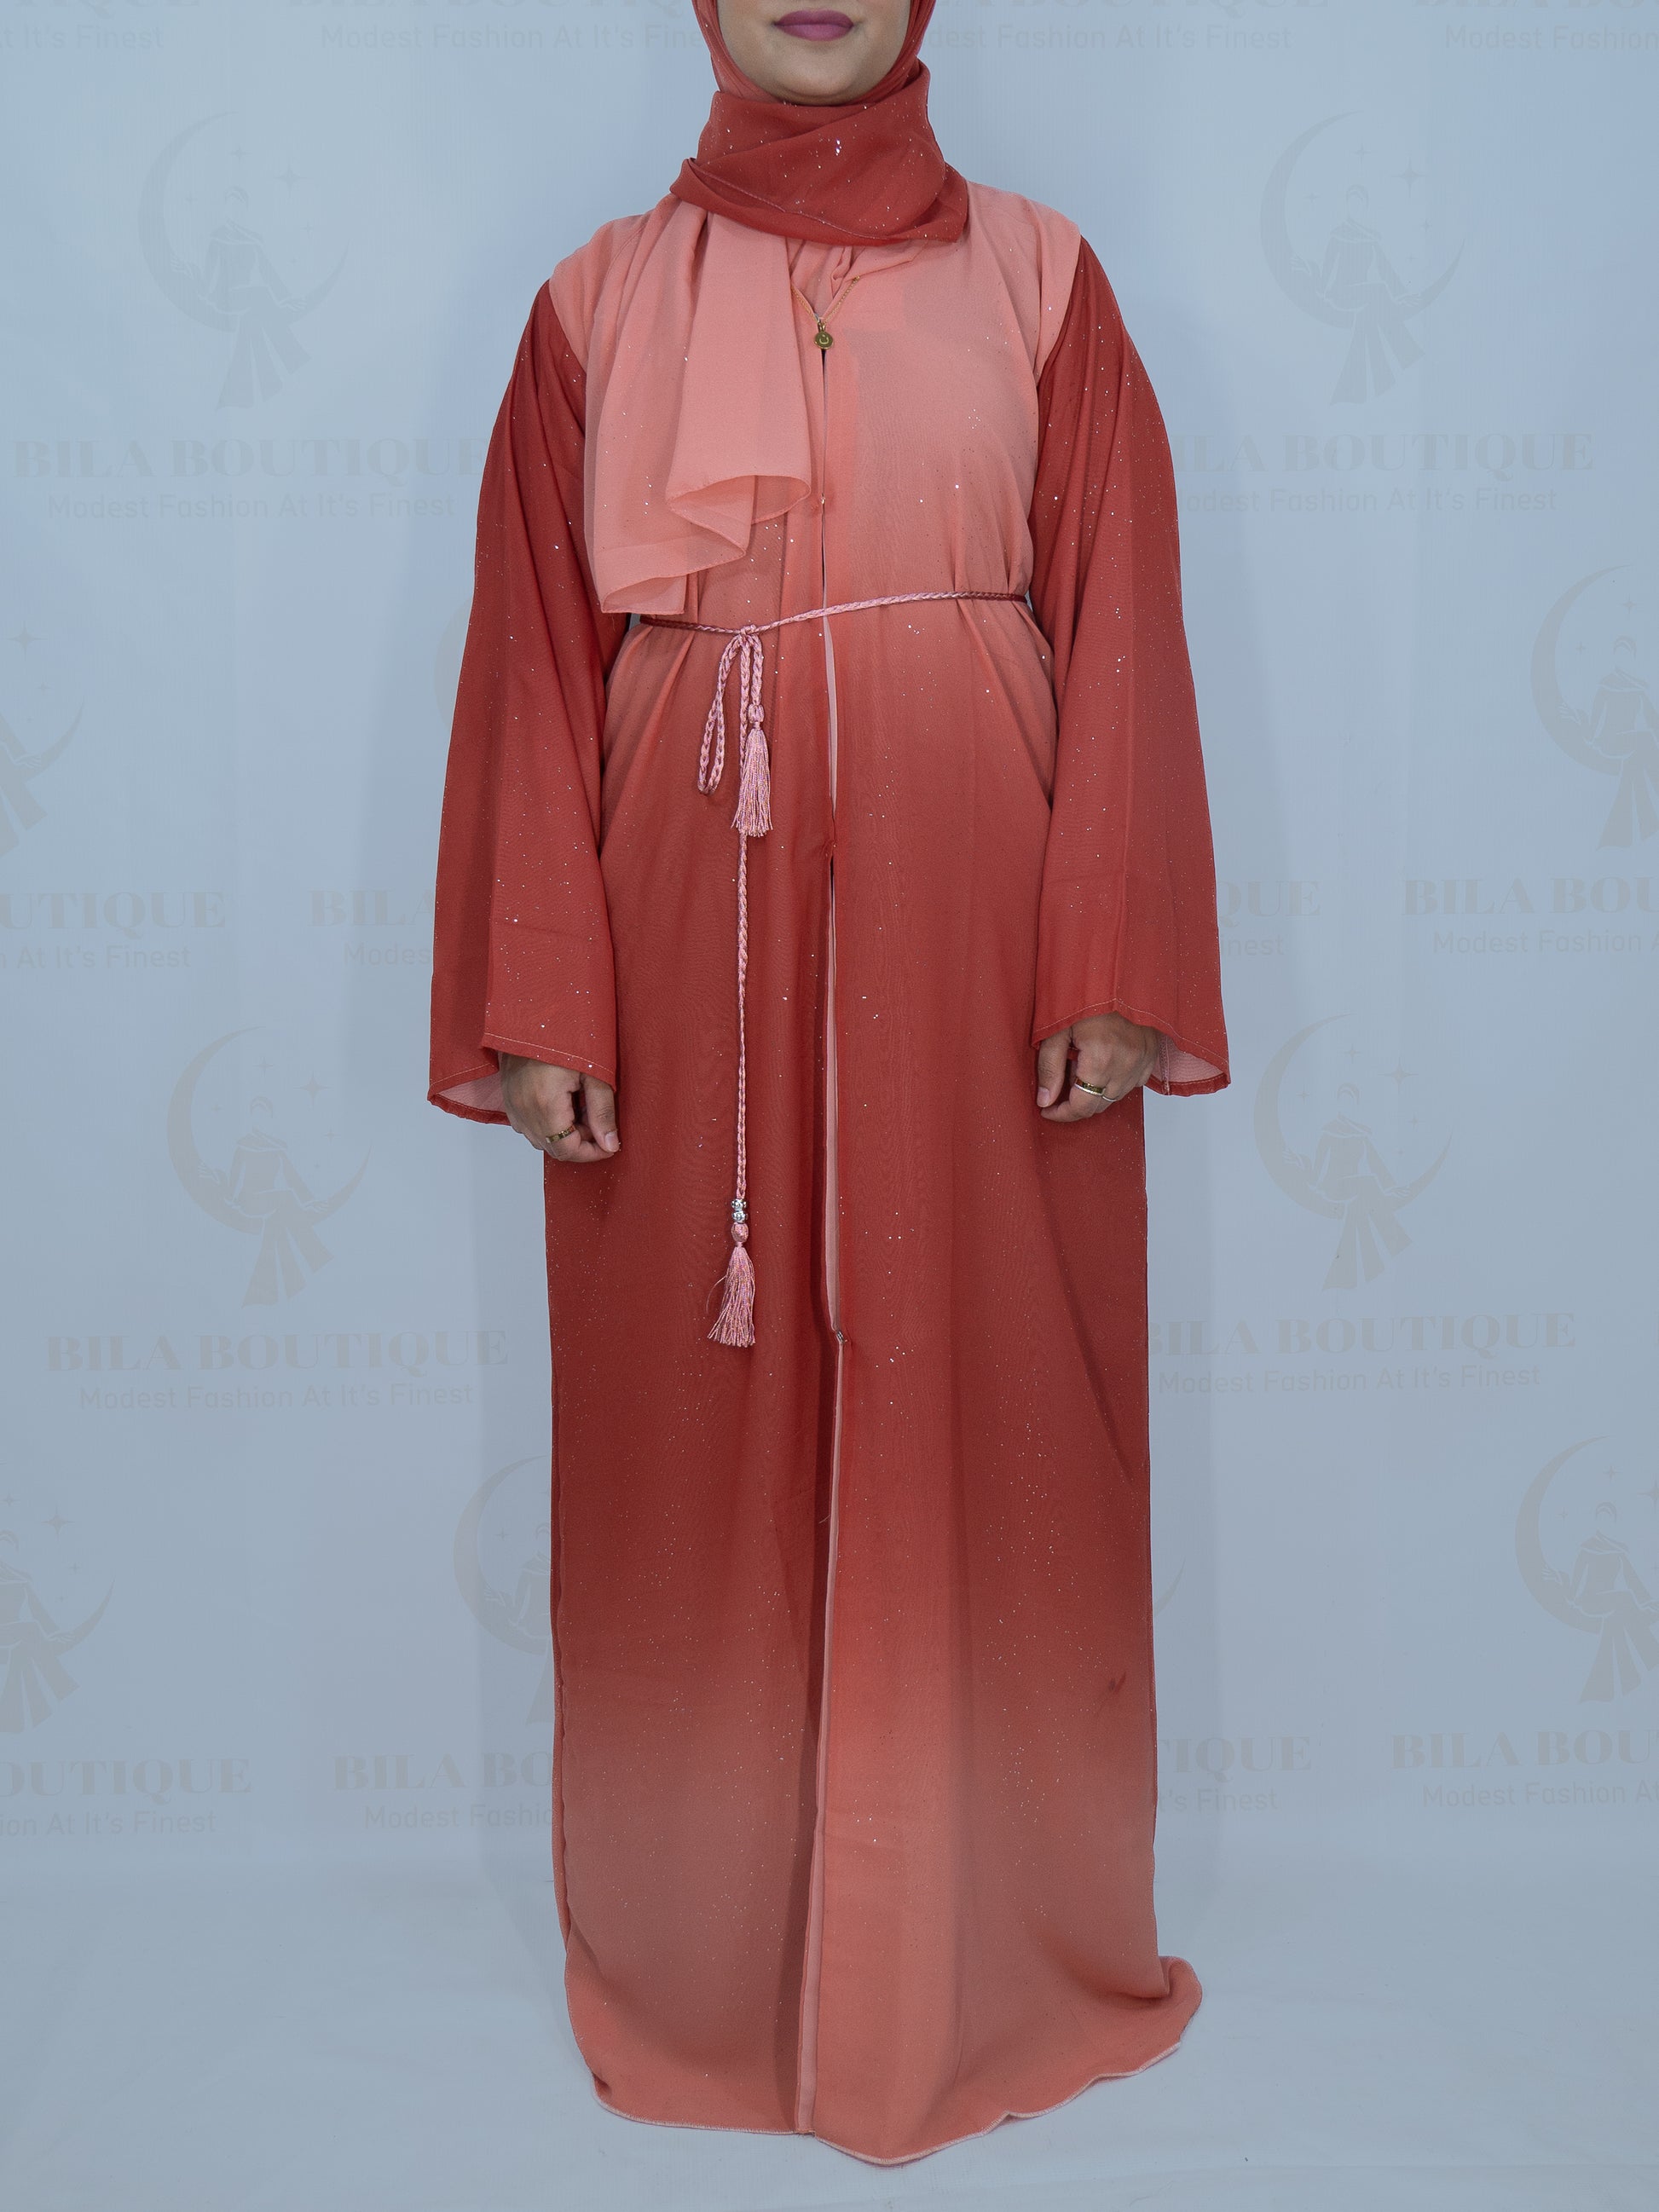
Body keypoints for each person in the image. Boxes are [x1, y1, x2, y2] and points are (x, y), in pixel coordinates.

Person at [428, 0, 1229, 2165]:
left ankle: (986, 1946)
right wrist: (539, 994)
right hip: (676, 904)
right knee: (691, 1409)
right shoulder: (594, 300)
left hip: (987, 916)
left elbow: (1123, 617)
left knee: (995, 1388)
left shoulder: (1044, 276)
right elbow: (528, 658)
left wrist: (1112, 957)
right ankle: (706, 1960)